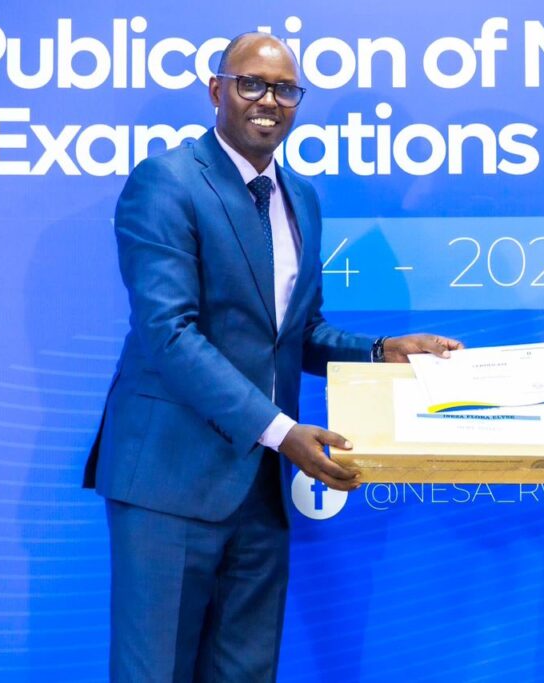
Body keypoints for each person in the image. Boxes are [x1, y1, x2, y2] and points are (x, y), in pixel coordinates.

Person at [82, 32, 461, 681]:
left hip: (259, 491)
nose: (269, 101)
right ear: (216, 90)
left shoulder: (300, 198)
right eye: (251, 83)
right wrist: (284, 432)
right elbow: (169, 334)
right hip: (170, 482)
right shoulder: (166, 182)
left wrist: (379, 352)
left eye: (285, 90)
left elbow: (294, 332)